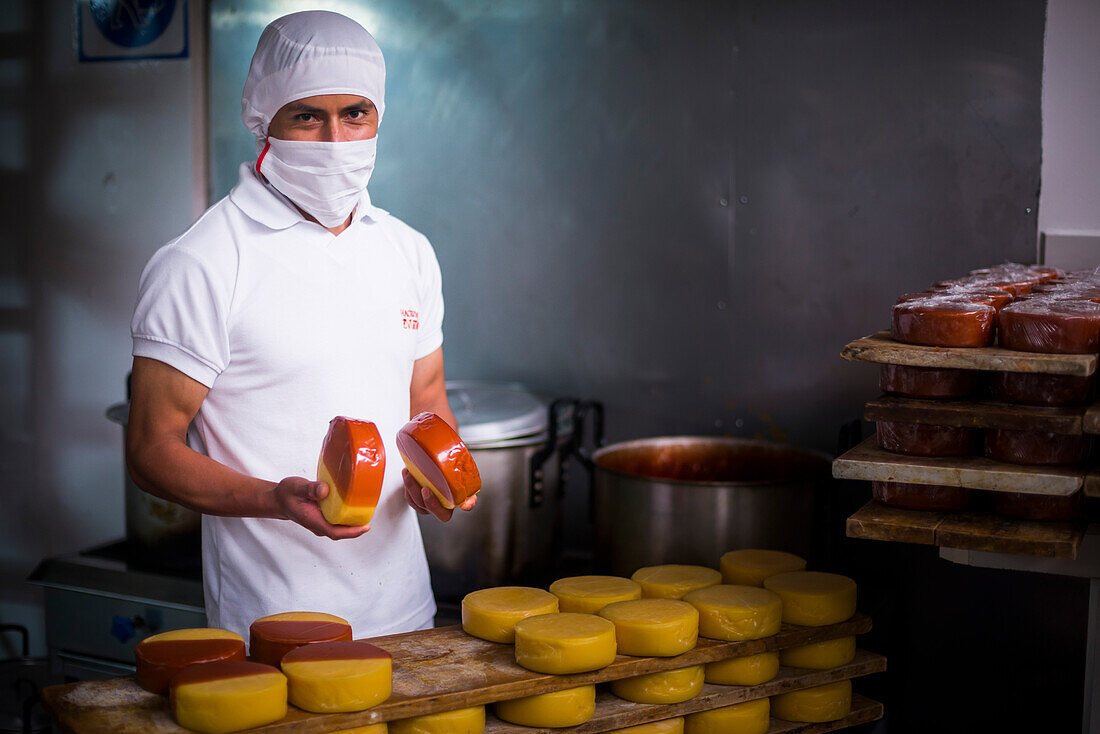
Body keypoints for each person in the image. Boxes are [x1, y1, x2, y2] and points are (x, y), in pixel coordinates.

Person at [125, 10, 474, 639]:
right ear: (266, 120)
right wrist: (271, 499)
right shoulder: (203, 262)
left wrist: (433, 480)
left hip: (407, 618)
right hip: (274, 625)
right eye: (308, 115)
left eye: (356, 113)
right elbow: (152, 450)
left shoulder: (408, 250)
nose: (337, 139)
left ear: (379, 117)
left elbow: (425, 402)